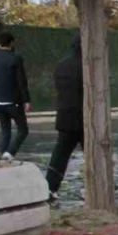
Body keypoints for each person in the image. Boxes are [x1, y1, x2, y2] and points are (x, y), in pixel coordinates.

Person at [46, 32, 83, 201]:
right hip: (84, 118)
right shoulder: (87, 66)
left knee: (60, 155)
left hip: (65, 115)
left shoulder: (61, 65)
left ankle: (50, 187)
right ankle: (94, 187)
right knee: (94, 156)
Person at [0, 30, 32, 162]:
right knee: (23, 130)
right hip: (13, 101)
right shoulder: (15, 58)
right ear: (11, 43)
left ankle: (3, 155)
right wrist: (26, 100)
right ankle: (10, 153)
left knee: (5, 130)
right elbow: (21, 81)